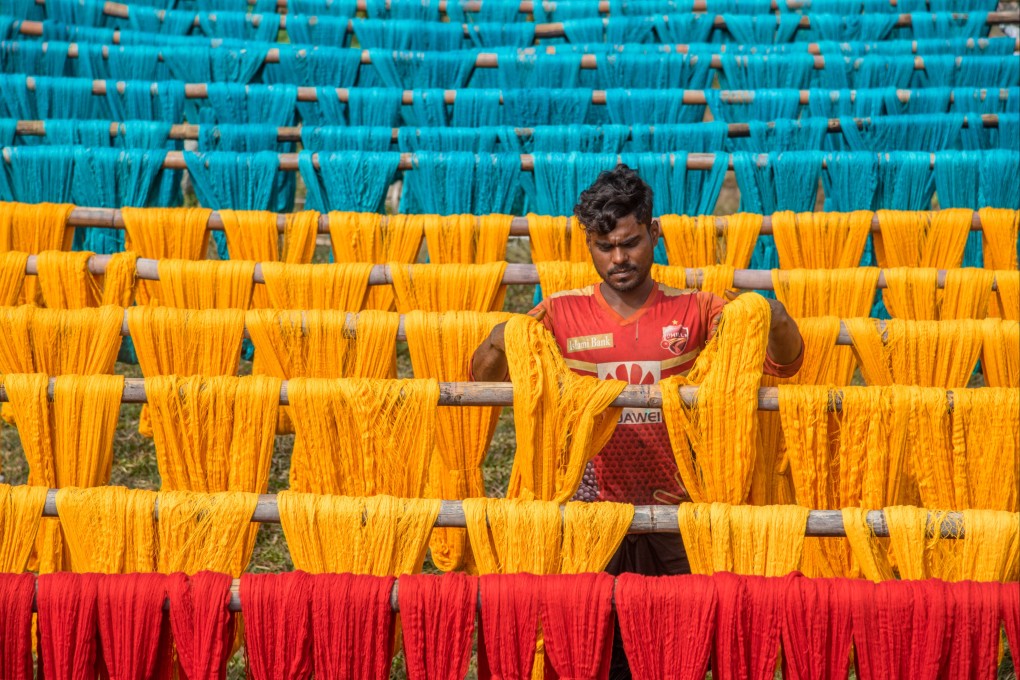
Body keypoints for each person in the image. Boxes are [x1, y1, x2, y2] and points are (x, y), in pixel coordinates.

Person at [471, 164, 804, 678]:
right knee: (591, 643)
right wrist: (501, 340)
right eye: (604, 248)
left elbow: (785, 365)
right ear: (589, 246)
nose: (619, 259)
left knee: (688, 644)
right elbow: (478, 380)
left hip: (678, 508)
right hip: (590, 509)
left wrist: (775, 322)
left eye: (630, 243)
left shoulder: (695, 311)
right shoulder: (560, 315)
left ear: (654, 233)